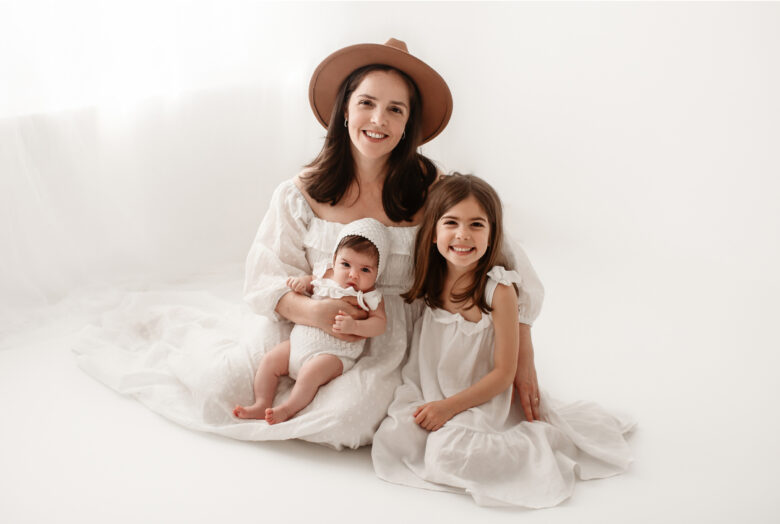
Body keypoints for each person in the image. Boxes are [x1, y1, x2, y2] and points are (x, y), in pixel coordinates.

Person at [74, 38, 543, 450]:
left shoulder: (435, 188)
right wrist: (314, 313)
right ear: (345, 109)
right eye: (367, 103)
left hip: (385, 336)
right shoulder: (301, 191)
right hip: (302, 324)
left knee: (344, 422)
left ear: (408, 125)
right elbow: (265, 278)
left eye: (395, 110)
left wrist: (524, 359)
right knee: (221, 388)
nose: (378, 119)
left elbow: (507, 266)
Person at [371, 174, 635, 507]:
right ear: (434, 234)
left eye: (476, 225)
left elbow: (503, 374)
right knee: (394, 438)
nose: (463, 234)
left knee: (448, 454)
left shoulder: (499, 290)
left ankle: (531, 451)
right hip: (432, 389)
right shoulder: (431, 281)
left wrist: (448, 408)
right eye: (451, 222)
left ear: (493, 234)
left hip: (483, 398)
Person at [234, 218, 389, 424]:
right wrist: (301, 284)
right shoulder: (325, 274)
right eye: (346, 264)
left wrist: (356, 326)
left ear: (377, 272)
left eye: (365, 270)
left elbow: (380, 324)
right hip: (299, 343)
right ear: (334, 259)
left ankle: (288, 408)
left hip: (334, 354)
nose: (353, 275)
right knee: (270, 360)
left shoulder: (370, 296)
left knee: (310, 374)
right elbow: (311, 282)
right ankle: (262, 402)